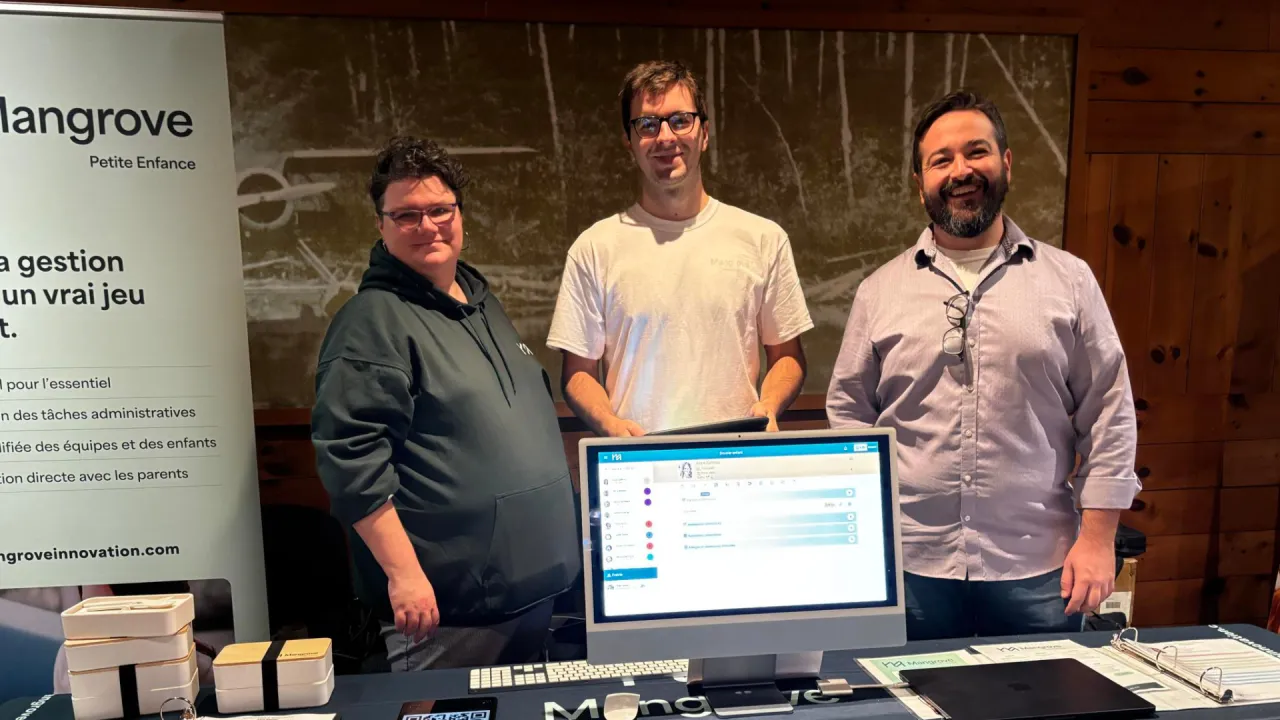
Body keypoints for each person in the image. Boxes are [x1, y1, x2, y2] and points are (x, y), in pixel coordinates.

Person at [825, 91, 1139, 640]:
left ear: (1006, 163)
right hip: (909, 568)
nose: (960, 171)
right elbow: (849, 412)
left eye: (976, 152)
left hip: (1040, 567)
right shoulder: (879, 292)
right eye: (941, 160)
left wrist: (1098, 539)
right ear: (919, 182)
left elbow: (1110, 412)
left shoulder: (1069, 281)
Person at [311, 137, 580, 670]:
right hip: (449, 613)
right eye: (407, 215)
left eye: (439, 210)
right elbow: (351, 459)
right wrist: (404, 574)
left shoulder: (482, 303)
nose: (428, 225)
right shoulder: (371, 323)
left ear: (460, 214)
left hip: (533, 598)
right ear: (381, 226)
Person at [547, 60, 813, 436]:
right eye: (648, 124)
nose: (665, 137)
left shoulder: (763, 239)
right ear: (629, 140)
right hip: (638, 466)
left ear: (704, 132)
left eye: (680, 120)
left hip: (737, 459)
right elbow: (578, 373)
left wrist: (768, 406)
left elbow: (787, 355)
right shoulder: (594, 248)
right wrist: (610, 423)